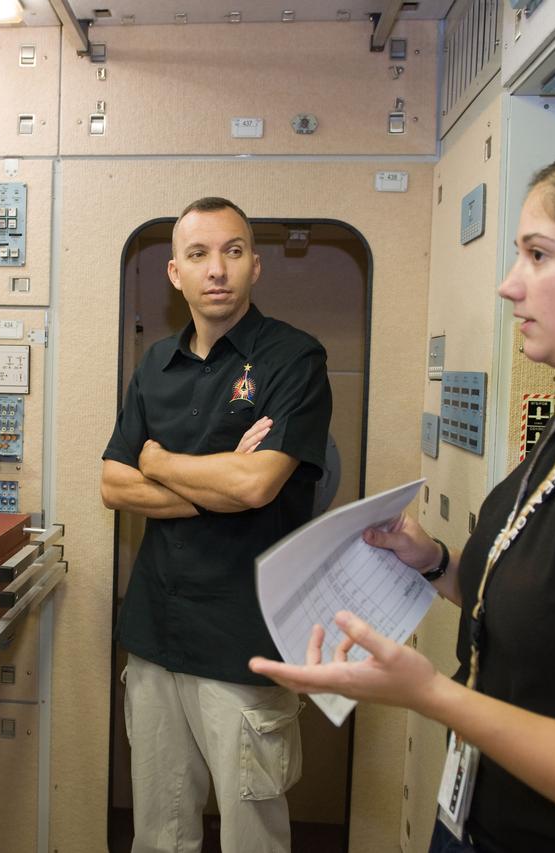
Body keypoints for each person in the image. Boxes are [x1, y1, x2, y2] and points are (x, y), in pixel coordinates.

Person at [252, 123, 555, 853]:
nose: (511, 282)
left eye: (539, 254)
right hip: (478, 816)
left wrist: (433, 695)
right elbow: (554, 598)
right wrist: (438, 563)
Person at [102, 197, 332, 853]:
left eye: (233, 251)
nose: (217, 269)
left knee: (251, 835)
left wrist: (161, 460)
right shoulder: (156, 365)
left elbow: (258, 483)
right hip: (154, 635)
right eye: (198, 254)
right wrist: (221, 478)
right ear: (175, 273)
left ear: (256, 265)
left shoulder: (294, 360)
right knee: (159, 830)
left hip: (244, 641)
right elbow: (112, 483)